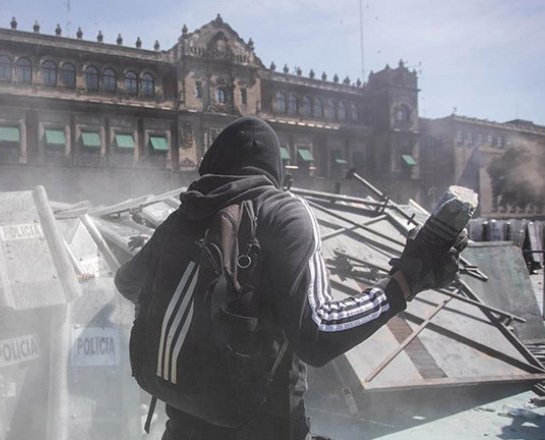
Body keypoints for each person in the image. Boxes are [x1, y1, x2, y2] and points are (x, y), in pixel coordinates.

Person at [114, 116, 466, 440]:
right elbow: (319, 332)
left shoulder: (182, 217)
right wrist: (406, 282)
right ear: (276, 170)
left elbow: (127, 283)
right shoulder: (284, 212)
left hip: (181, 428)